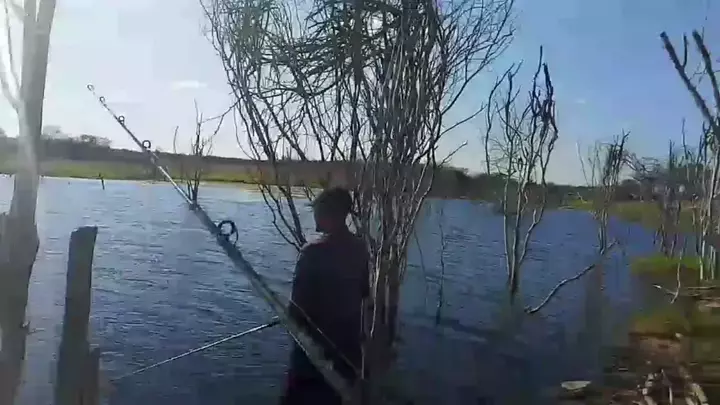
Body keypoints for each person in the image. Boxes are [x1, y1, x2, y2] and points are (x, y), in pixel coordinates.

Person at [280, 187, 370, 405]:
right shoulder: (360, 249)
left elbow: (296, 312)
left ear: (330, 214)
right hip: (347, 358)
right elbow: (364, 294)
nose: (315, 215)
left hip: (312, 361)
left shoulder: (311, 253)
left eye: (317, 210)